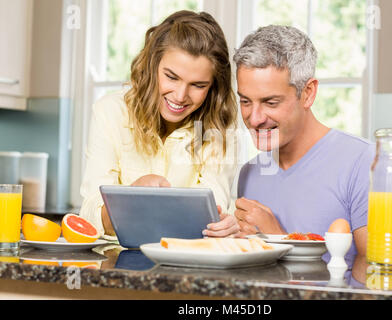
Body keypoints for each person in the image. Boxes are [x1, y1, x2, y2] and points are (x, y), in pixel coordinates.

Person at [79, 10, 240, 239]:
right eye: (171, 77)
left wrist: (224, 225)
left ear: (213, 86)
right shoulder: (110, 111)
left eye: (198, 85)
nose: (180, 95)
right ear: (153, 64)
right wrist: (132, 197)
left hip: (190, 261)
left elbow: (211, 212)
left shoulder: (219, 127)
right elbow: (89, 217)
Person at [231, 25, 375, 257]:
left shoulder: (364, 162)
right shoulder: (249, 173)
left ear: (308, 93)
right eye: (246, 101)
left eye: (270, 102)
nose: (254, 119)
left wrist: (278, 239)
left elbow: (375, 279)